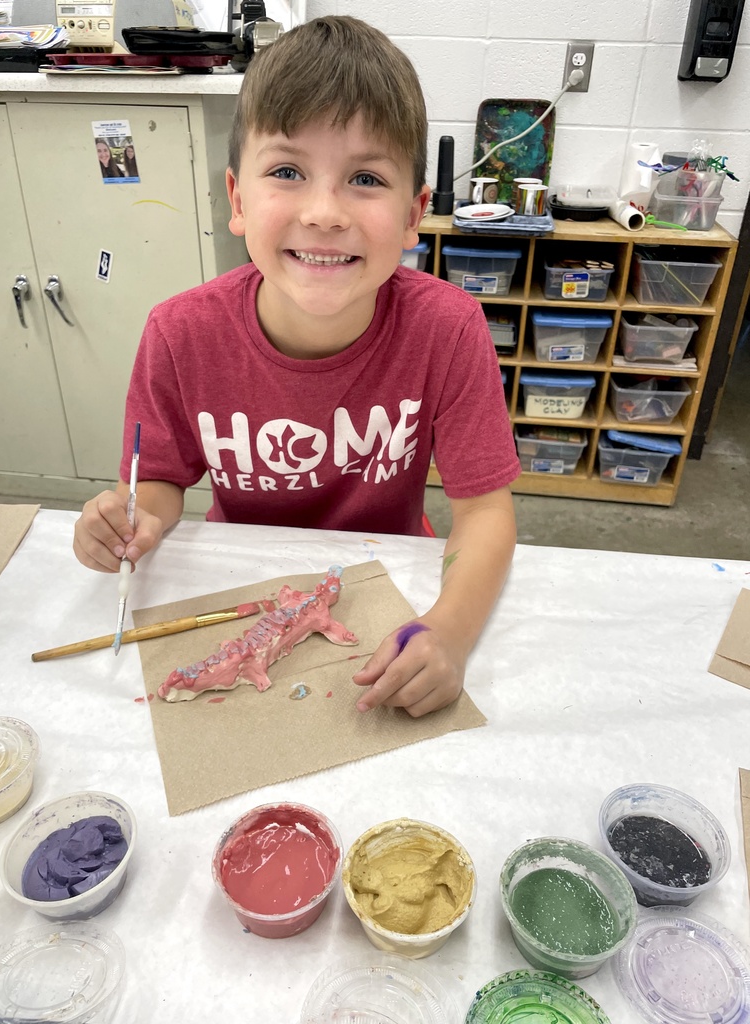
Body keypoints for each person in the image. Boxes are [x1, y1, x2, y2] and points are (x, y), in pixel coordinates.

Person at [73, 16, 521, 718]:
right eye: (288, 171)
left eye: (366, 178)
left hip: (388, 583)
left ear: (414, 215)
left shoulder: (449, 328)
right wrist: (138, 522)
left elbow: (486, 513)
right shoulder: (179, 332)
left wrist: (452, 631)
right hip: (238, 589)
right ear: (239, 200)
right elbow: (157, 480)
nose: (323, 212)